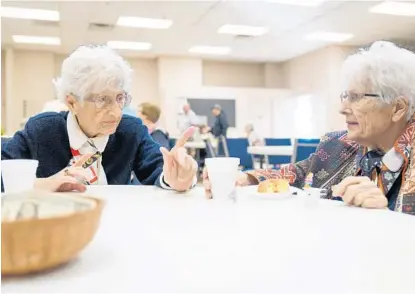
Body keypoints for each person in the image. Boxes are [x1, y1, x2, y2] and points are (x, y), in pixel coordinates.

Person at [204, 41, 415, 215]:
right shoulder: (338, 145)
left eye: (356, 98)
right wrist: (245, 179)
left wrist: (386, 215)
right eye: (345, 96)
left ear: (397, 108)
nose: (342, 109)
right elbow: (297, 173)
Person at [1, 45, 197, 193]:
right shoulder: (41, 130)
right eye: (102, 100)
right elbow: (4, 173)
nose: (116, 113)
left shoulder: (130, 130)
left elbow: (159, 169)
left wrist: (177, 176)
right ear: (72, 103)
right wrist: (45, 184)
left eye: (120, 98)